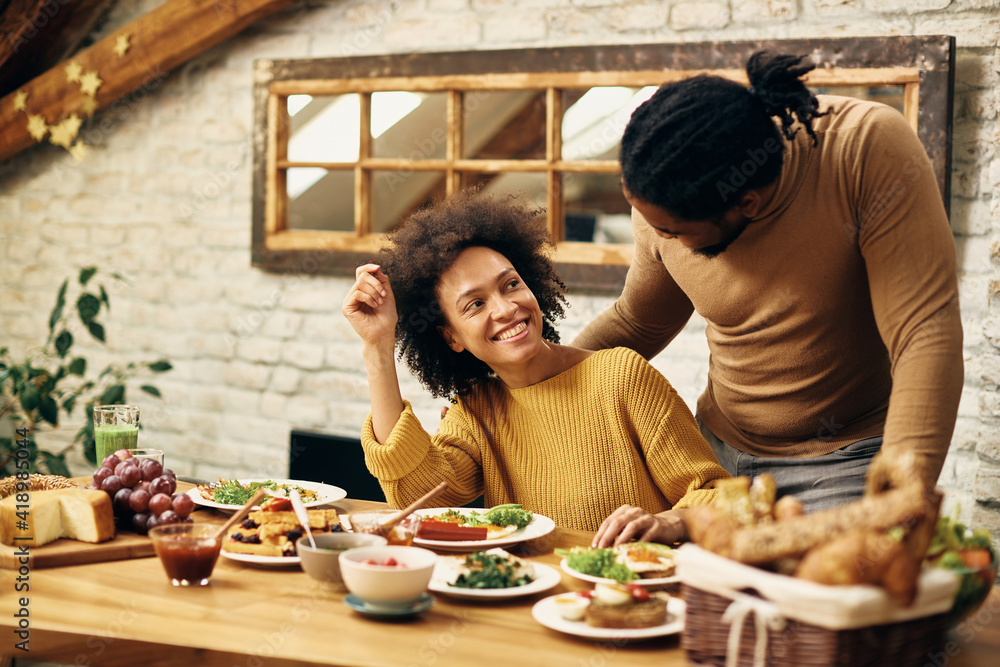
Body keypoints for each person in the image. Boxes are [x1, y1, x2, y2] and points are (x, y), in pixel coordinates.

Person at [574, 51, 963, 512]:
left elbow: (924, 334)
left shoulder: (863, 147)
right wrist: (525, 383)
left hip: (843, 465)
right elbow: (639, 322)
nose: (658, 234)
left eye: (674, 231)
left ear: (749, 204)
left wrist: (899, 499)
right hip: (715, 458)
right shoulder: (663, 187)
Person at [341, 191, 729, 546]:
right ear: (451, 338)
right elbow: (413, 494)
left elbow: (714, 494)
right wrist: (378, 346)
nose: (506, 308)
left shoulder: (622, 376)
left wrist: (667, 523)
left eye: (510, 285)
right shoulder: (478, 412)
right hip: (527, 604)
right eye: (475, 304)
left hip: (627, 598)